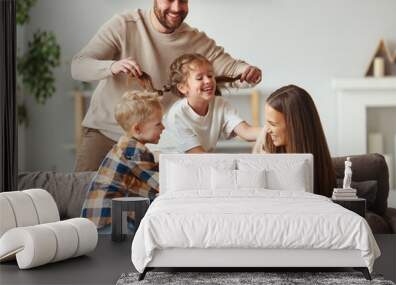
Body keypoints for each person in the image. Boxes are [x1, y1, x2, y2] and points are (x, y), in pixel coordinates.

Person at [71, 0, 262, 171]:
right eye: (169, 0)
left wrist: (248, 71)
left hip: (154, 142)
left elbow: (231, 67)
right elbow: (78, 66)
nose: (177, 8)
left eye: (183, 1)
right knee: (83, 198)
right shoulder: (124, 25)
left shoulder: (195, 39)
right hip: (105, 133)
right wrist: (112, 66)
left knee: (149, 206)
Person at [81, 91, 164, 233]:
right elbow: (160, 184)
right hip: (107, 221)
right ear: (138, 129)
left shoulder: (127, 147)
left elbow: (144, 185)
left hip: (99, 221)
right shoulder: (133, 152)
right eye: (158, 124)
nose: (163, 127)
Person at [161, 53, 260, 153]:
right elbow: (197, 155)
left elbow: (246, 132)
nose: (208, 80)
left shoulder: (220, 104)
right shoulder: (177, 115)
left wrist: (271, 130)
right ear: (182, 87)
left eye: (210, 75)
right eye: (199, 78)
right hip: (164, 164)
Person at [252, 85, 336, 197]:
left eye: (273, 124)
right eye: (267, 122)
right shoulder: (266, 149)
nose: (267, 129)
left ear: (295, 127)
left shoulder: (319, 169)